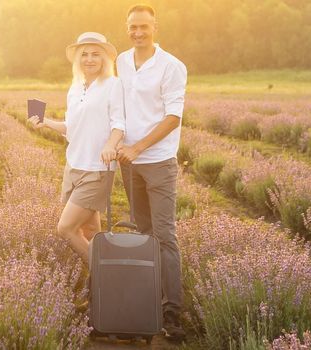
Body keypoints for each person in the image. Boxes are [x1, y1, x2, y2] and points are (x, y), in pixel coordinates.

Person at [115, 4, 187, 342]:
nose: (138, 32)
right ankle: (146, 302)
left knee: (164, 235)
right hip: (128, 163)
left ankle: (172, 312)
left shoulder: (172, 66)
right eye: (133, 27)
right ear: (127, 28)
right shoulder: (121, 62)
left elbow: (173, 117)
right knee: (142, 233)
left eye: (144, 26)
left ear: (155, 27)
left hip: (157, 161)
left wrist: (139, 147)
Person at [28, 32, 124, 265]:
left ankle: (107, 277)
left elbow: (119, 124)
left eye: (95, 54)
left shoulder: (113, 85)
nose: (89, 59)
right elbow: (71, 128)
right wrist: (46, 123)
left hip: (97, 169)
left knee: (66, 228)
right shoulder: (75, 87)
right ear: (77, 59)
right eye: (84, 55)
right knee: (89, 231)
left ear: (104, 59)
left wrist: (110, 145)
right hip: (73, 167)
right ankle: (96, 291)